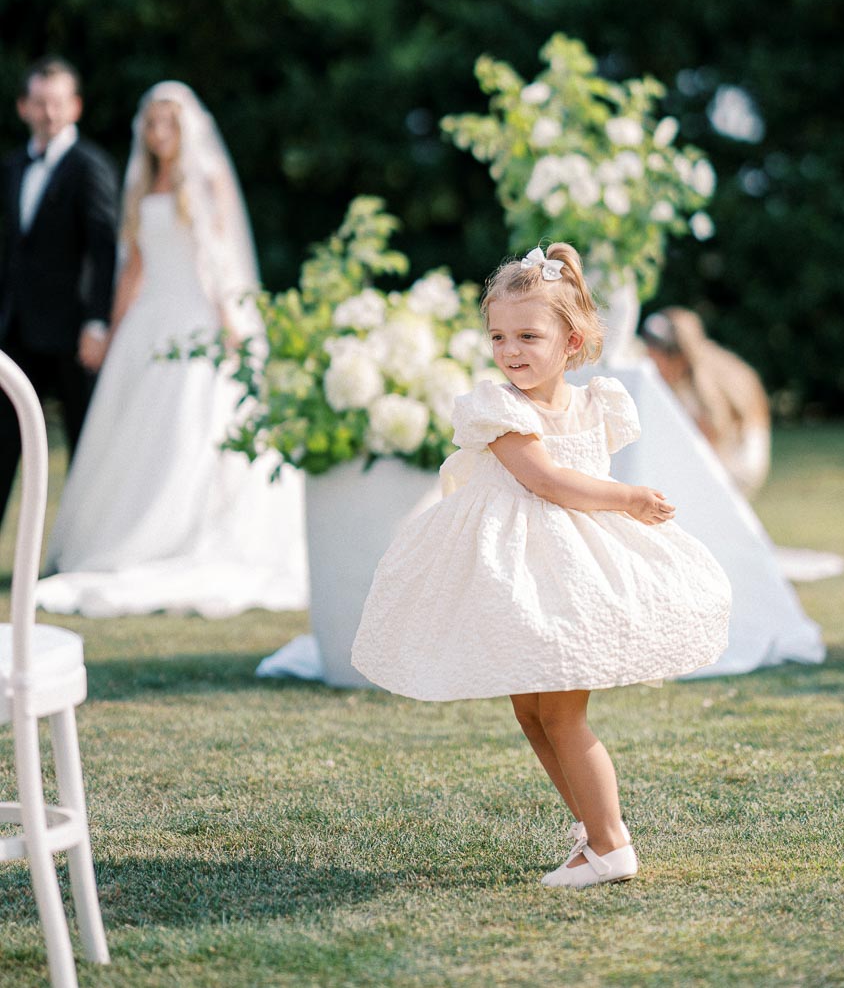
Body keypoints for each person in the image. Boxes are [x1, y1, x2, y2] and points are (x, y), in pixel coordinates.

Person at [351, 243, 731, 889]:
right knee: (530, 711)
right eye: (499, 335)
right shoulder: (498, 407)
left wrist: (629, 499)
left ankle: (611, 844)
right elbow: (544, 479)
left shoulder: (595, 402)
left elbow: (559, 484)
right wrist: (628, 497)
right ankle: (591, 826)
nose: (511, 349)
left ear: (571, 340)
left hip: (568, 576)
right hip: (523, 573)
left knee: (561, 714)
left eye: (529, 335)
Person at [37, 80, 308, 618]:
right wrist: (112, 333)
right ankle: (128, 537)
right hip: (148, 321)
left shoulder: (205, 180)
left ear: (185, 128)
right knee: (135, 434)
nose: (159, 133)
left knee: (193, 429)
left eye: (169, 123)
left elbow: (219, 256)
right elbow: (132, 267)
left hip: (197, 317)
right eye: (152, 122)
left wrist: (230, 319)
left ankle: (188, 534)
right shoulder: (140, 183)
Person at [0, 56, 118, 527]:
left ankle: (87, 541)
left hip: (73, 333)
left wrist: (97, 322)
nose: (48, 113)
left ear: (76, 107)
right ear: (23, 107)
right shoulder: (12, 167)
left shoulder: (91, 167)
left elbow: (105, 250)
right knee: (3, 438)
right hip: (18, 328)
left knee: (86, 444)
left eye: (58, 103)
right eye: (39, 102)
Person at [641, 307, 771, 496]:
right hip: (736, 460)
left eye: (658, 356)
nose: (652, 363)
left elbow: (711, 438)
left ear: (679, 355)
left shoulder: (703, 385)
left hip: (736, 464)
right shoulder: (711, 365)